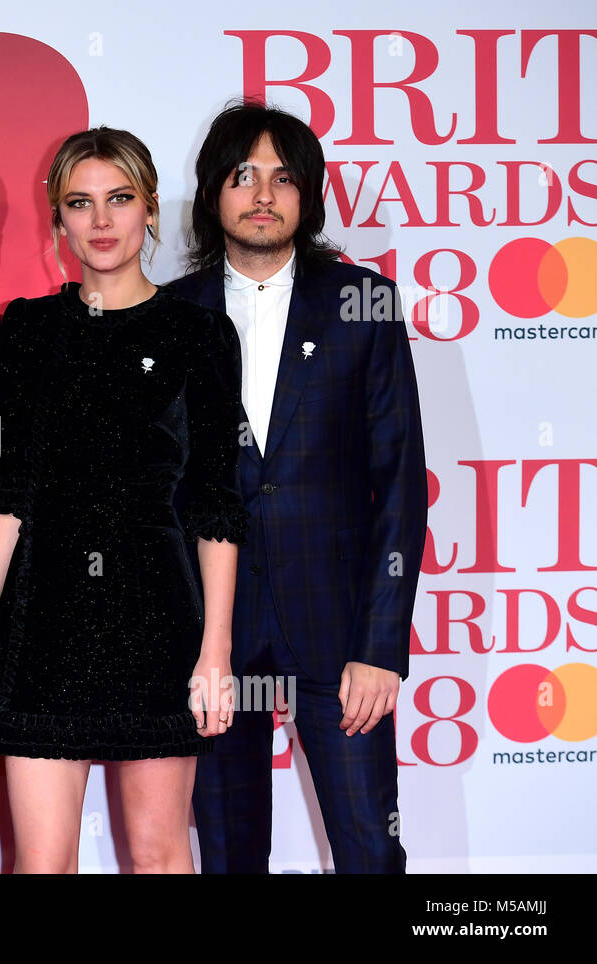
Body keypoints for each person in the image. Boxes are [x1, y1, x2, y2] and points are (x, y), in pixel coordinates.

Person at [0, 127, 247, 874]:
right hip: (44, 618)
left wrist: (215, 648)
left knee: (157, 856)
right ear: (57, 219)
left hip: (158, 616)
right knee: (42, 862)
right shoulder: (28, 329)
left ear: (150, 209)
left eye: (119, 200)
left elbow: (216, 502)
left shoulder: (199, 333)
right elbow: (9, 487)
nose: (101, 221)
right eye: (79, 203)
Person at [166, 100, 427, 873]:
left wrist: (381, 647)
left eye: (284, 177)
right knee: (227, 852)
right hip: (212, 638)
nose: (263, 194)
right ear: (215, 191)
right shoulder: (174, 314)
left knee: (370, 851)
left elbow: (401, 483)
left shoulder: (362, 302)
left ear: (308, 195)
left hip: (340, 634)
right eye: (243, 176)